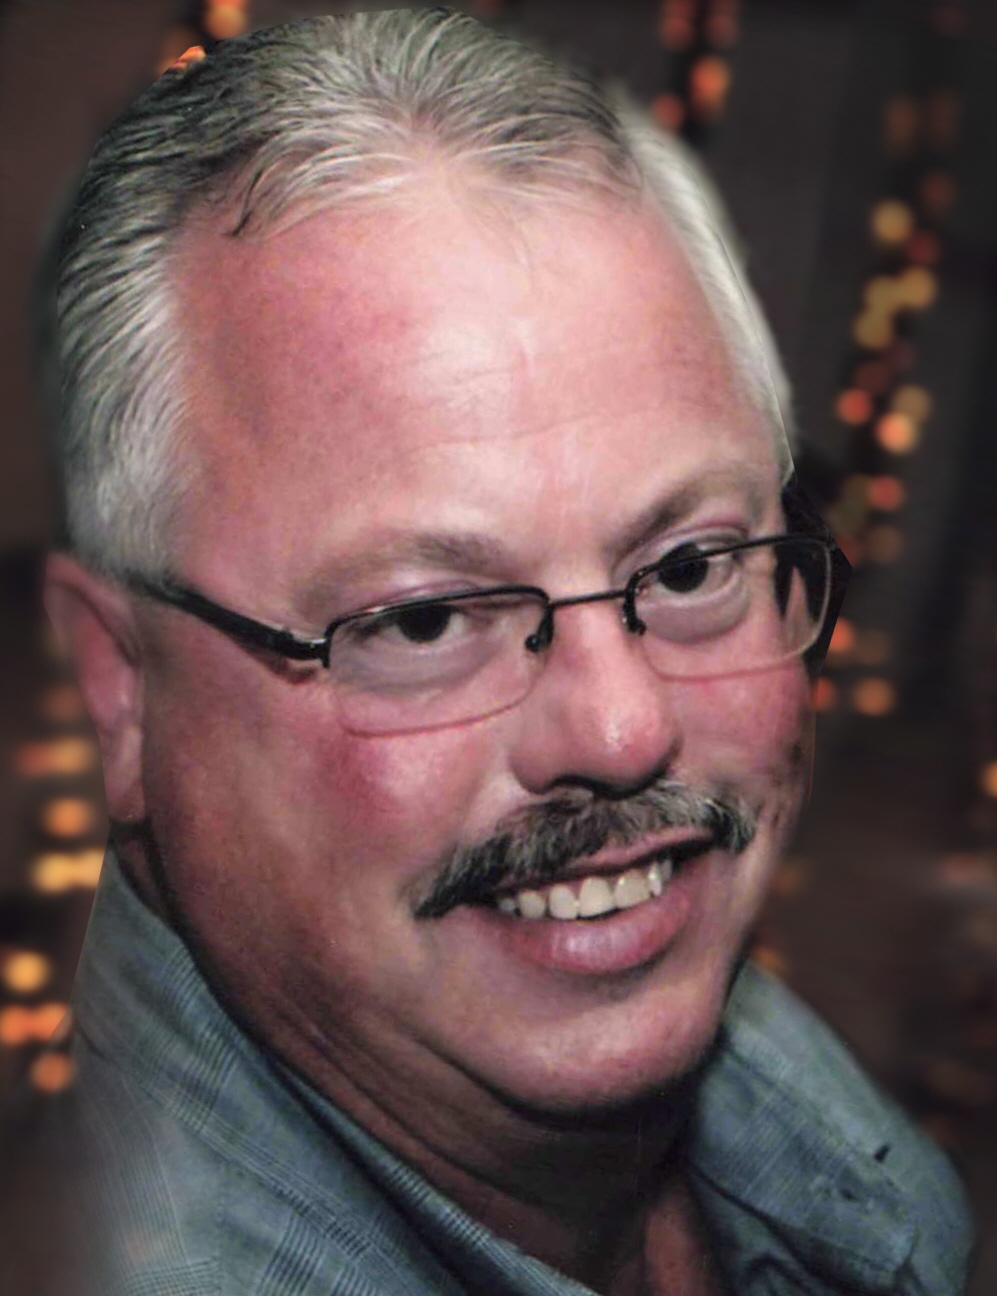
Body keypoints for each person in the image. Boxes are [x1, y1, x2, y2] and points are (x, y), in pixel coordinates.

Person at [37, 9, 971, 1295]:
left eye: (688, 568)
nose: (622, 730)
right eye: (423, 620)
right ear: (122, 689)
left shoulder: (775, 1106)